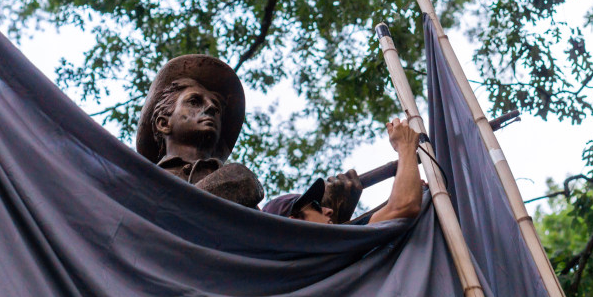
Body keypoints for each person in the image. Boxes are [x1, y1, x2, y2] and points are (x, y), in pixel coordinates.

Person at [136, 54, 265, 208]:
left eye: (216, 108)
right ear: (163, 123)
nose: (211, 108)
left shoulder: (242, 184)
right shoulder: (143, 180)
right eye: (194, 101)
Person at [263, 117, 423, 224]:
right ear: (295, 222)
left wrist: (413, 187)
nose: (329, 210)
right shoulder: (331, 249)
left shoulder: (339, 245)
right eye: (317, 207)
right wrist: (405, 146)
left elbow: (399, 207)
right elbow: (405, 206)